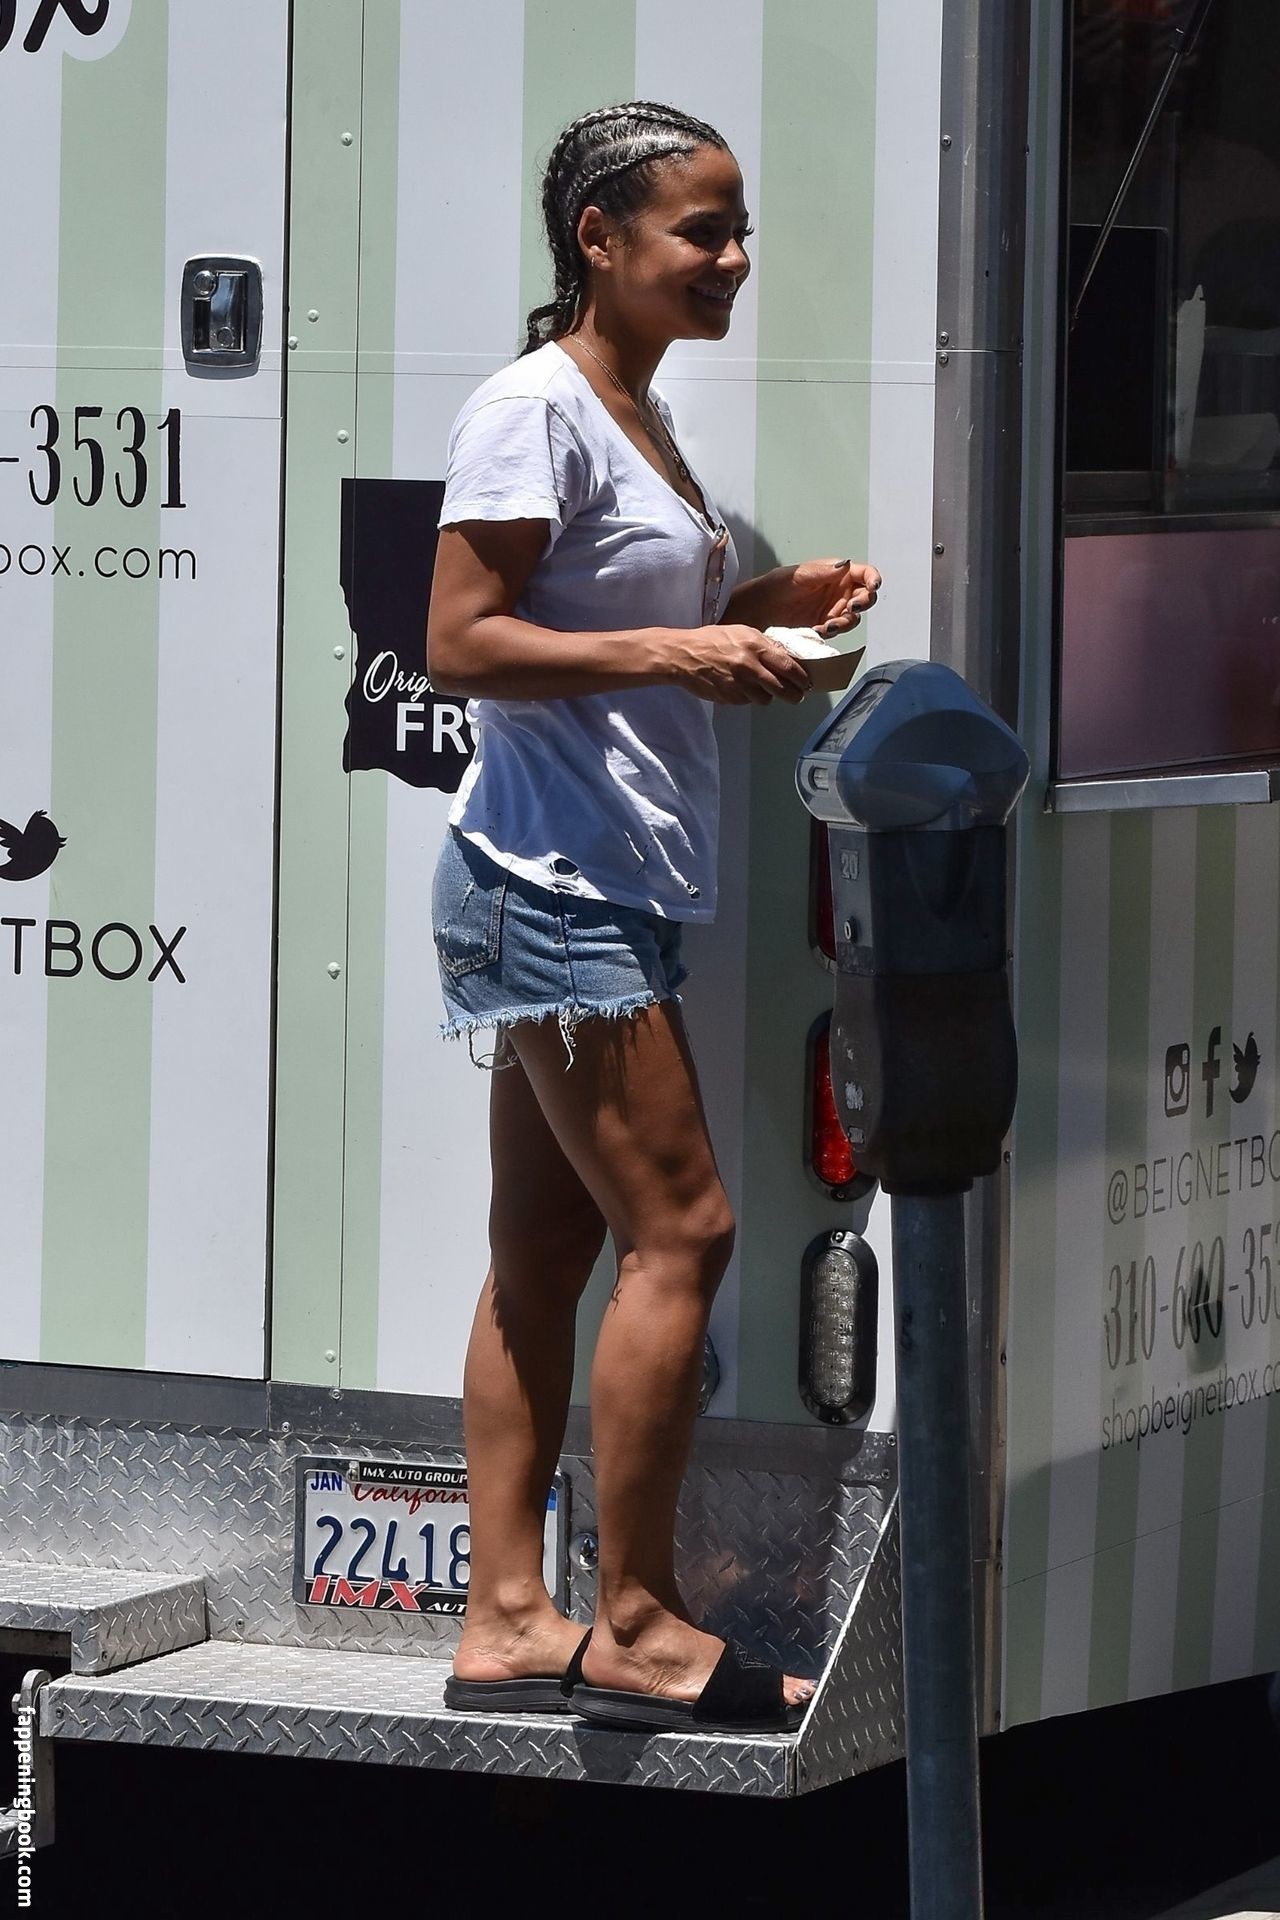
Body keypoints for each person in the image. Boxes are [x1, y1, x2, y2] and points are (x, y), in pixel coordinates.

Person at [427, 99, 880, 1734]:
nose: (735, 258)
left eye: (740, 228)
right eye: (704, 230)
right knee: (683, 1233)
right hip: (551, 888)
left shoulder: (636, 408)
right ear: (599, 239)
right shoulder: (532, 407)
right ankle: (631, 1620)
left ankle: (505, 1620)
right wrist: (687, 650)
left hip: (584, 883)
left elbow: (612, 615)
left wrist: (755, 611)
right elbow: (463, 640)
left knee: (545, 1250)